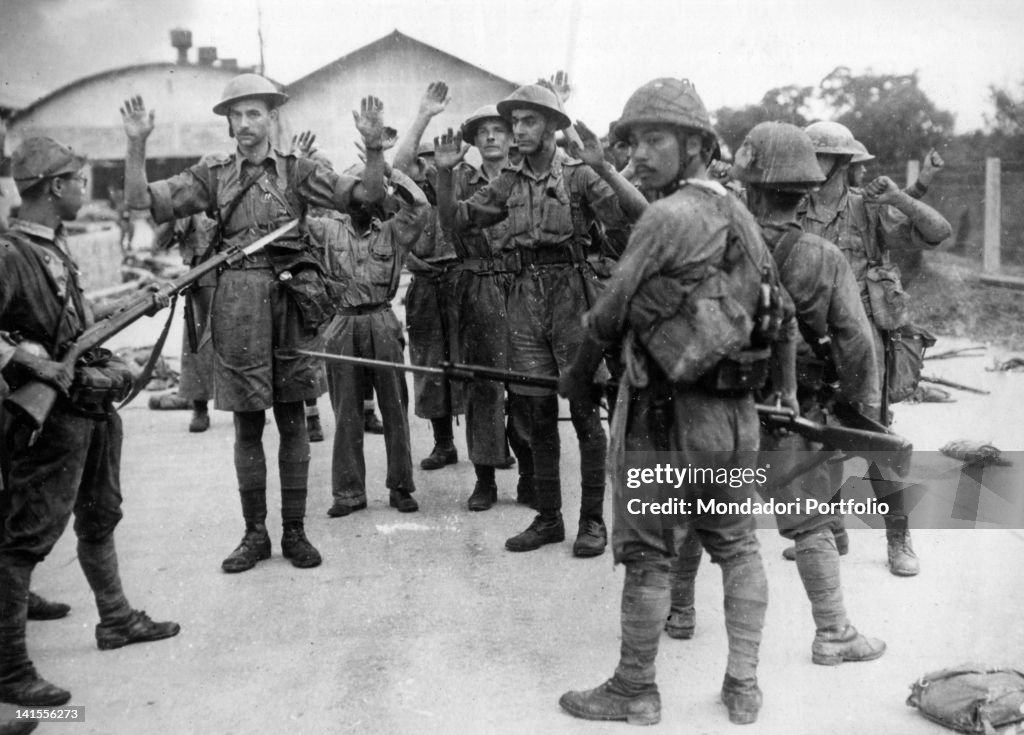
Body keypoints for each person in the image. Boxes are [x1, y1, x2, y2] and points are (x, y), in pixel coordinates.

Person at [557, 78, 796, 726]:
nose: (641, 150)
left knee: (648, 554)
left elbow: (608, 313)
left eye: (655, 137)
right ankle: (743, 685)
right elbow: (781, 308)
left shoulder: (667, 219)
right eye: (635, 139)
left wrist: (577, 376)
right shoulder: (735, 212)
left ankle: (635, 688)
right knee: (740, 547)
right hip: (734, 417)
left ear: (696, 145)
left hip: (665, 415)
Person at [119, 74, 388, 573]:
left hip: (292, 302)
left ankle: (294, 532)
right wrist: (136, 145)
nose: (244, 125)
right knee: (247, 424)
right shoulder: (212, 174)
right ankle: (254, 534)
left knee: (292, 419)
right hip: (237, 303)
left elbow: (367, 195)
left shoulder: (296, 171)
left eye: (254, 114)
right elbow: (144, 201)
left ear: (272, 118)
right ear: (227, 124)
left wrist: (373, 147)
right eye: (235, 116)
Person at [668, 122, 886, 666]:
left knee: (695, 506)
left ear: (747, 184)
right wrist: (861, 412)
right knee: (809, 521)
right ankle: (833, 634)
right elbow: (856, 341)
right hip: (791, 406)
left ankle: (678, 612)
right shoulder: (824, 256)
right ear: (807, 189)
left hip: (714, 403)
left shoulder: (711, 245)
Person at [0, 137, 180, 707]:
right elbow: (32, 345)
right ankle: (8, 670)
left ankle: (116, 619)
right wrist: (33, 363)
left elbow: (70, 319)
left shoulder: (53, 245)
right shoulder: (11, 254)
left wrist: (136, 301)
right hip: (51, 415)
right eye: (79, 180)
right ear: (55, 187)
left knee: (99, 515)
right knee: (25, 539)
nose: (85, 188)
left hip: (89, 406)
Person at [436, 83, 647, 556]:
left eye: (529, 121)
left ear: (553, 125)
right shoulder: (507, 180)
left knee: (588, 414)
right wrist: (446, 176)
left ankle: (592, 521)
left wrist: (605, 168)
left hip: (573, 297)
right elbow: (459, 222)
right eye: (515, 122)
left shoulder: (577, 176)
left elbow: (637, 217)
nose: (518, 130)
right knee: (536, 412)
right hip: (524, 298)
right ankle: (549, 517)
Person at [800, 120, 952, 576]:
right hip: (809, 341)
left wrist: (903, 196)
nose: (809, 165)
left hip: (862, 339)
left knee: (875, 437)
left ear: (842, 163)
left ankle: (898, 538)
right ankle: (828, 530)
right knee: (814, 434)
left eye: (820, 156)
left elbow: (938, 230)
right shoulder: (795, 209)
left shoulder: (868, 209)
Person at [427, 102, 530, 510]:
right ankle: (485, 478)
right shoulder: (460, 178)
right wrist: (445, 173)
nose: (491, 136)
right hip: (478, 285)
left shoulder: (524, 178)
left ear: (512, 137)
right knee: (483, 384)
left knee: (527, 382)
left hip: (522, 284)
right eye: (483, 130)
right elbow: (450, 222)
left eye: (499, 129)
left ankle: (530, 474)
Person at [315, 164, 429, 517]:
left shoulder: (395, 231)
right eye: (355, 191)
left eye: (370, 191)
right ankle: (348, 492)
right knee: (345, 411)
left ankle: (401, 487)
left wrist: (389, 172)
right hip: (343, 322)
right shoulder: (327, 230)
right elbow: (296, 218)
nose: (363, 199)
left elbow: (421, 207)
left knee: (395, 407)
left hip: (382, 319)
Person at [392, 84, 466, 473]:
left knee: (475, 360)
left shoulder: (458, 186)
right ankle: (444, 443)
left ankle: (492, 444)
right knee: (430, 364)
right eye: (422, 162)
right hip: (425, 286)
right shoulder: (409, 198)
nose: (426, 169)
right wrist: (423, 116)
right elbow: (397, 169)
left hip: (461, 282)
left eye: (432, 162)